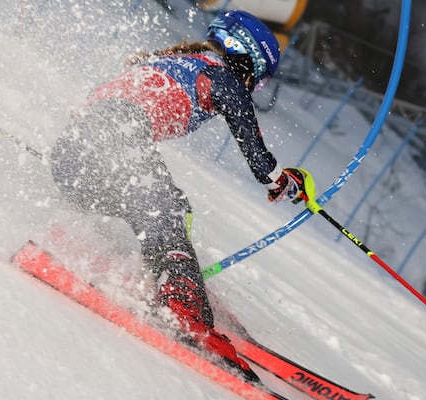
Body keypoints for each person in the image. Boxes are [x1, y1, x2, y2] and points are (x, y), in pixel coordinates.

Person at [50, 9, 314, 380]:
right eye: (256, 79)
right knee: (166, 207)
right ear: (247, 57)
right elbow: (252, 145)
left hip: (71, 157)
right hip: (113, 139)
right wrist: (280, 179)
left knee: (164, 205)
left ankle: (174, 276)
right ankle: (183, 306)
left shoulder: (175, 60)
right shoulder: (219, 73)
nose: (251, 88)